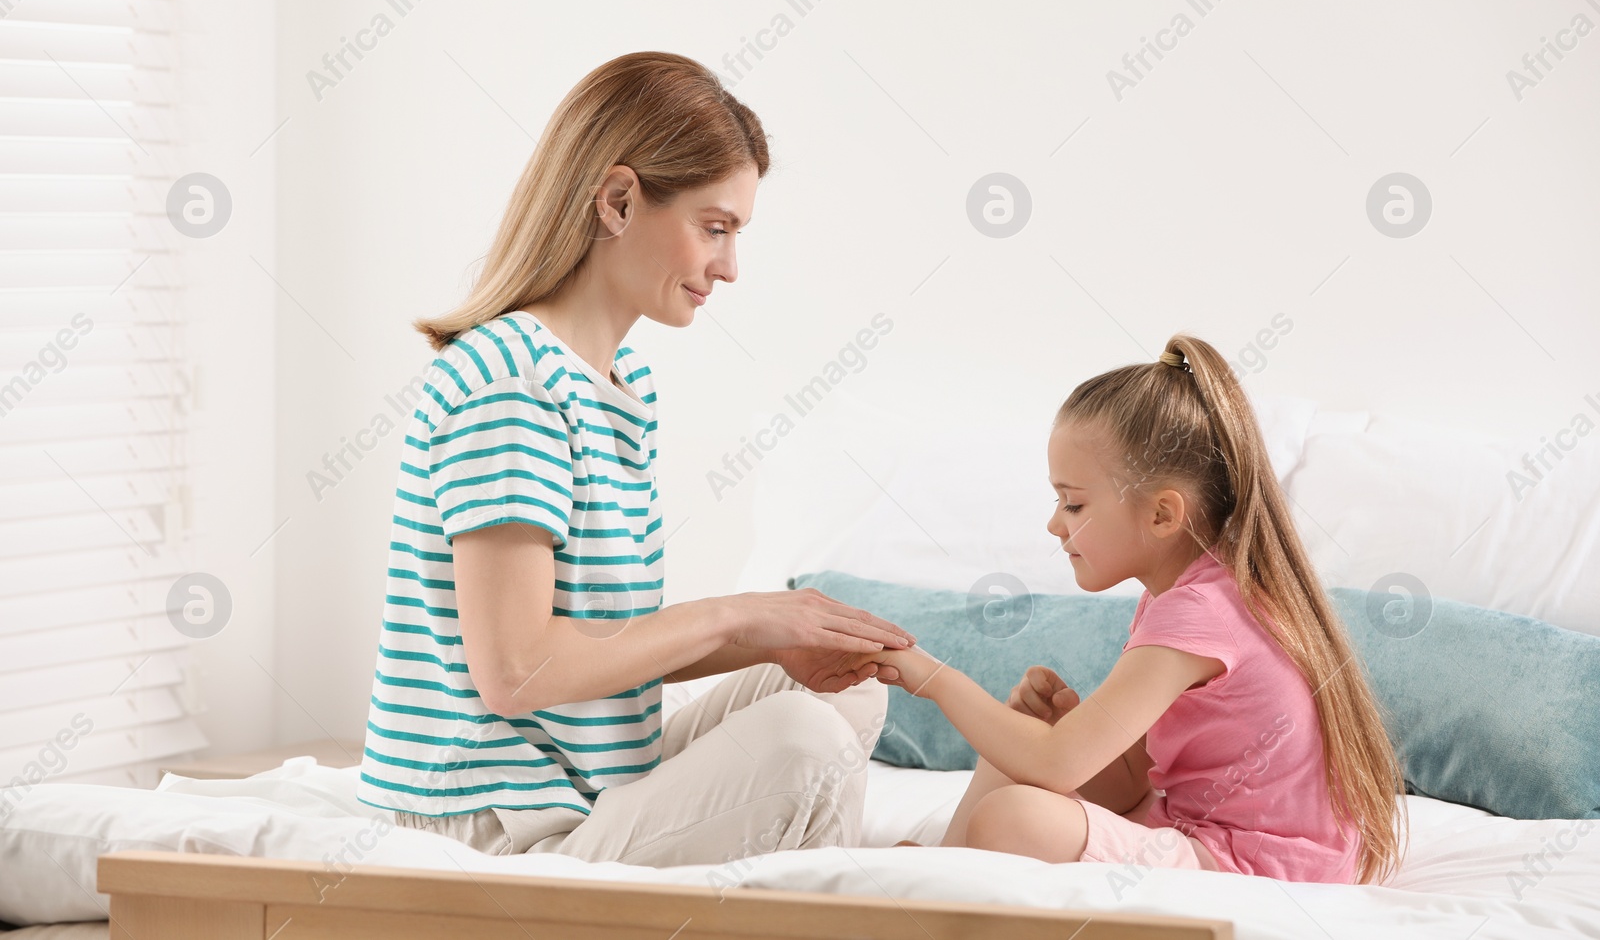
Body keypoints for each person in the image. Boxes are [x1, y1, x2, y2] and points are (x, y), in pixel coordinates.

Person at [357, 51, 914, 866]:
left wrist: (780, 634)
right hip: (495, 824)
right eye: (714, 228)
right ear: (618, 200)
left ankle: (807, 901)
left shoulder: (621, 383)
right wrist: (739, 613)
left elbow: (601, 636)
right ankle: (815, 900)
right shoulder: (511, 383)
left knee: (841, 688)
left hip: (584, 788)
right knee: (800, 743)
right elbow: (515, 670)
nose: (729, 267)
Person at [872, 334, 1406, 884]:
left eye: (1073, 502)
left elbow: (1057, 764)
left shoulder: (1196, 612)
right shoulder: (1196, 592)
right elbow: (1130, 782)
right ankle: (938, 870)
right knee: (1015, 743)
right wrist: (1058, 731)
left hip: (1255, 868)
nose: (1056, 523)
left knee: (1014, 816)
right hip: (1222, 839)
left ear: (1161, 514)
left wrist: (933, 677)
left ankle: (932, 877)